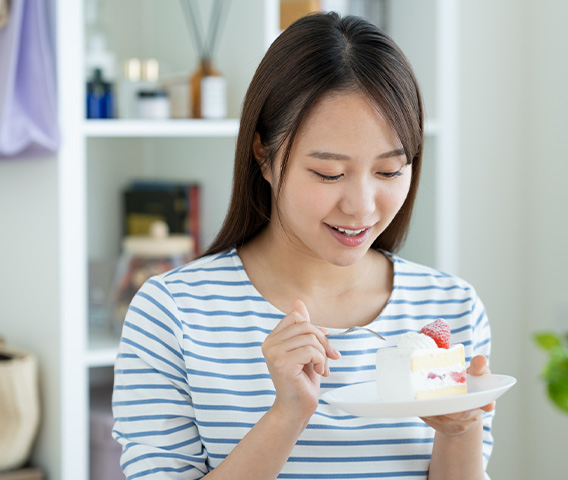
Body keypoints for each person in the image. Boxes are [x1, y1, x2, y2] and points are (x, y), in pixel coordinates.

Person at [113, 12, 495, 480]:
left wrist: (461, 429)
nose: (361, 206)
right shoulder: (173, 313)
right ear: (264, 155)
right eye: (329, 173)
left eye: (389, 171)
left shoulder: (451, 307)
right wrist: (286, 415)